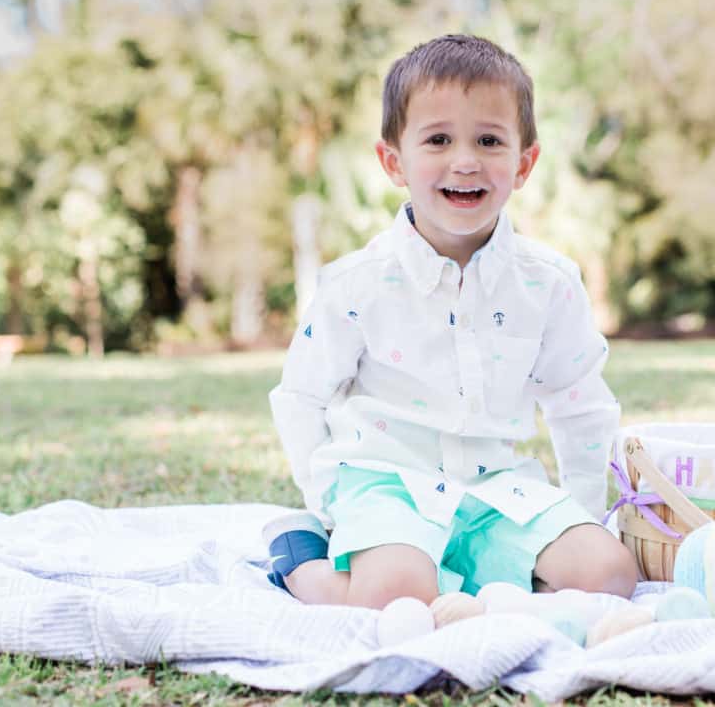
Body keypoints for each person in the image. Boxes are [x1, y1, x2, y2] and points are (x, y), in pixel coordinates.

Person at [265, 34, 637, 609]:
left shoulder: (548, 283)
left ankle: (466, 571)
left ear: (524, 163)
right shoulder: (355, 284)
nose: (465, 161)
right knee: (399, 593)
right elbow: (301, 397)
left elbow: (579, 401)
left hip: (497, 492)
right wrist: (329, 505)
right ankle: (300, 562)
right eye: (438, 139)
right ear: (394, 161)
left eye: (489, 140)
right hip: (386, 485)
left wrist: (581, 518)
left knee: (608, 574)